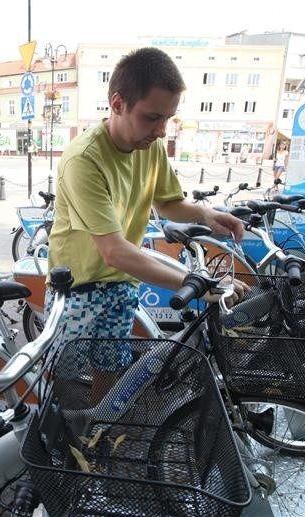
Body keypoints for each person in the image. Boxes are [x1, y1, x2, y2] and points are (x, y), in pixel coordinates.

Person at [45, 47, 247, 400]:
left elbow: (169, 203)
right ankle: (56, 446)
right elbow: (115, 251)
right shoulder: (84, 159)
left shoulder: (149, 148)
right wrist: (198, 283)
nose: (162, 130)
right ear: (118, 103)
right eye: (152, 117)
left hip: (121, 285)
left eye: (168, 118)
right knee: (60, 382)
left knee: (110, 369)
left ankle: (100, 431)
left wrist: (206, 213)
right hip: (77, 289)